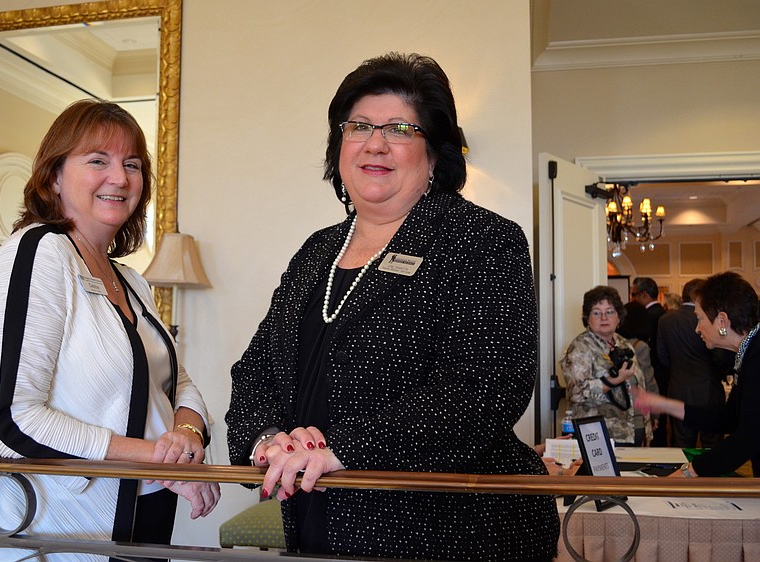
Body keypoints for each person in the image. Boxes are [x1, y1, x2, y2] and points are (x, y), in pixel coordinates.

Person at [225, 52, 559, 562]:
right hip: (322, 520)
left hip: (450, 531)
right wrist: (270, 442)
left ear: (435, 153)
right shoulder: (317, 251)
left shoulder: (482, 239)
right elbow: (255, 372)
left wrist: (343, 452)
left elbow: (488, 384)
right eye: (358, 126)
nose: (375, 143)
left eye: (400, 129)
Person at [0, 100, 219, 561]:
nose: (120, 178)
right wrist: (155, 457)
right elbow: (10, 419)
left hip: (148, 505)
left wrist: (187, 436)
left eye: (132, 165)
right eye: (98, 160)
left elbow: (176, 383)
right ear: (54, 176)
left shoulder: (131, 279)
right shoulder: (37, 255)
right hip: (54, 528)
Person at [634, 271, 760, 477]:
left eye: (699, 319)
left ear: (722, 321)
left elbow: (748, 438)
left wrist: (689, 472)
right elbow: (729, 419)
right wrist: (665, 404)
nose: (697, 329)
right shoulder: (749, 353)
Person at [560, 285, 645, 446]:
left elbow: (638, 386)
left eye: (610, 312)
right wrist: (614, 380)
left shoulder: (624, 344)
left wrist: (646, 424)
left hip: (632, 431)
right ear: (588, 318)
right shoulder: (580, 347)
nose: (604, 318)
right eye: (597, 312)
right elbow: (576, 393)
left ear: (619, 317)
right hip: (598, 436)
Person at [656, 278, 732, 448]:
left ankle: (682, 473)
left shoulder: (666, 320)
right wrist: (715, 375)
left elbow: (661, 356)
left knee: (682, 443)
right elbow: (721, 356)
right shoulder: (709, 318)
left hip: (678, 387)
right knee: (712, 443)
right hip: (709, 388)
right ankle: (711, 474)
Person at [631, 276, 668, 445]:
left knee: (655, 430)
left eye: (634, 294)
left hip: (650, 376)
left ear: (644, 294)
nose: (632, 299)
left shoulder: (644, 316)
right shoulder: (665, 315)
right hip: (666, 375)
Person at [616, 300, 659, 445]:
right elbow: (648, 381)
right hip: (636, 413)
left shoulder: (614, 344)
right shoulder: (640, 346)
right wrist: (655, 413)